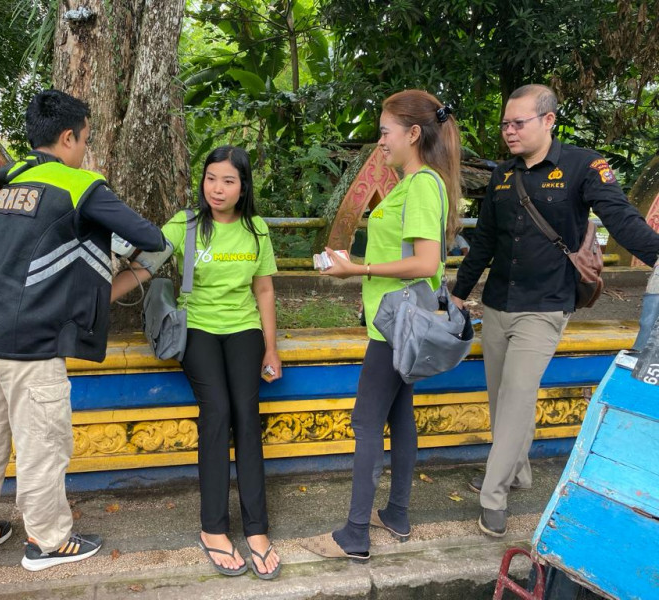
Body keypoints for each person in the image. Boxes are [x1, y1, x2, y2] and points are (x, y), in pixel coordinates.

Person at [0, 89, 166, 571]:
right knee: (42, 446)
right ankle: (49, 543)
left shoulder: (6, 181)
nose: (85, 149)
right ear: (68, 137)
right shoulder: (79, 185)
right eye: (85, 139)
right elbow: (151, 238)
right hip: (30, 343)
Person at [450, 84, 659, 537]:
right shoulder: (503, 175)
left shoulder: (584, 166)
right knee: (500, 399)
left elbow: (621, 218)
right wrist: (456, 294)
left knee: (519, 395)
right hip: (498, 303)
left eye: (518, 122)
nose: (509, 131)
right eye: (505, 123)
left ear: (548, 121)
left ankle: (493, 496)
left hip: (545, 307)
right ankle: (518, 472)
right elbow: (484, 242)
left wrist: (658, 252)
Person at [299, 90, 463, 560]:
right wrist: (359, 272)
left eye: (385, 133)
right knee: (399, 415)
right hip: (395, 320)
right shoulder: (416, 184)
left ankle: (354, 534)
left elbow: (426, 263)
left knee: (366, 421)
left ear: (413, 133)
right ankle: (396, 514)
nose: (380, 144)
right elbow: (408, 258)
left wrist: (359, 270)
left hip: (395, 328)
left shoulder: (421, 185)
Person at [112, 145, 283, 579]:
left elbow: (263, 291)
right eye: (210, 178)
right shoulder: (186, 224)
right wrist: (97, 297)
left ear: (243, 186)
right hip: (199, 327)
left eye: (228, 180)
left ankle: (257, 529)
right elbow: (145, 267)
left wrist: (271, 347)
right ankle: (213, 528)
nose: (217, 188)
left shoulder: (257, 229)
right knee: (218, 411)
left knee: (247, 413)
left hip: (243, 327)